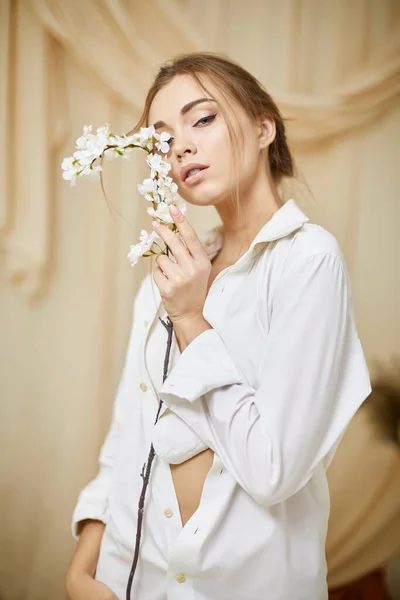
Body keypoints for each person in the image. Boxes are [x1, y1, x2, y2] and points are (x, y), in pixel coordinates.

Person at [65, 52, 372, 600]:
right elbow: (127, 438)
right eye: (162, 137)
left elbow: (273, 468)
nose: (180, 145)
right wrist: (81, 570)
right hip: (131, 579)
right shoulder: (169, 271)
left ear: (261, 127)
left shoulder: (306, 263)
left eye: (201, 119)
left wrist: (190, 316)